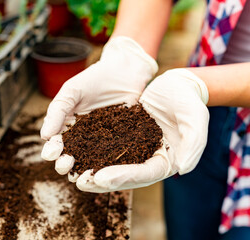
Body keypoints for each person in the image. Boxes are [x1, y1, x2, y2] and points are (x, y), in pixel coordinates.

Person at [40, 0, 250, 239]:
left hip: (211, 100)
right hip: (188, 113)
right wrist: (129, 53)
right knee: (185, 230)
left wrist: (205, 85)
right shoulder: (172, 115)